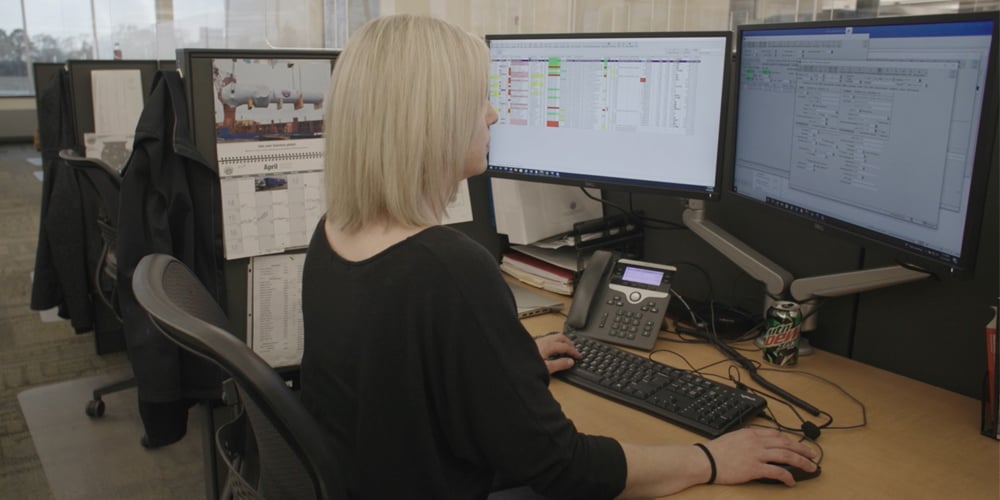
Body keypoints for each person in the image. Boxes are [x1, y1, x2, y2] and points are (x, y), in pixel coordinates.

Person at [300, 14, 818, 499]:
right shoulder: (445, 267)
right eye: (478, 99)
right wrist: (709, 459)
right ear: (432, 121)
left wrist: (504, 370)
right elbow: (560, 466)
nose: (493, 113)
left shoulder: (334, 233)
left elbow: (400, 387)